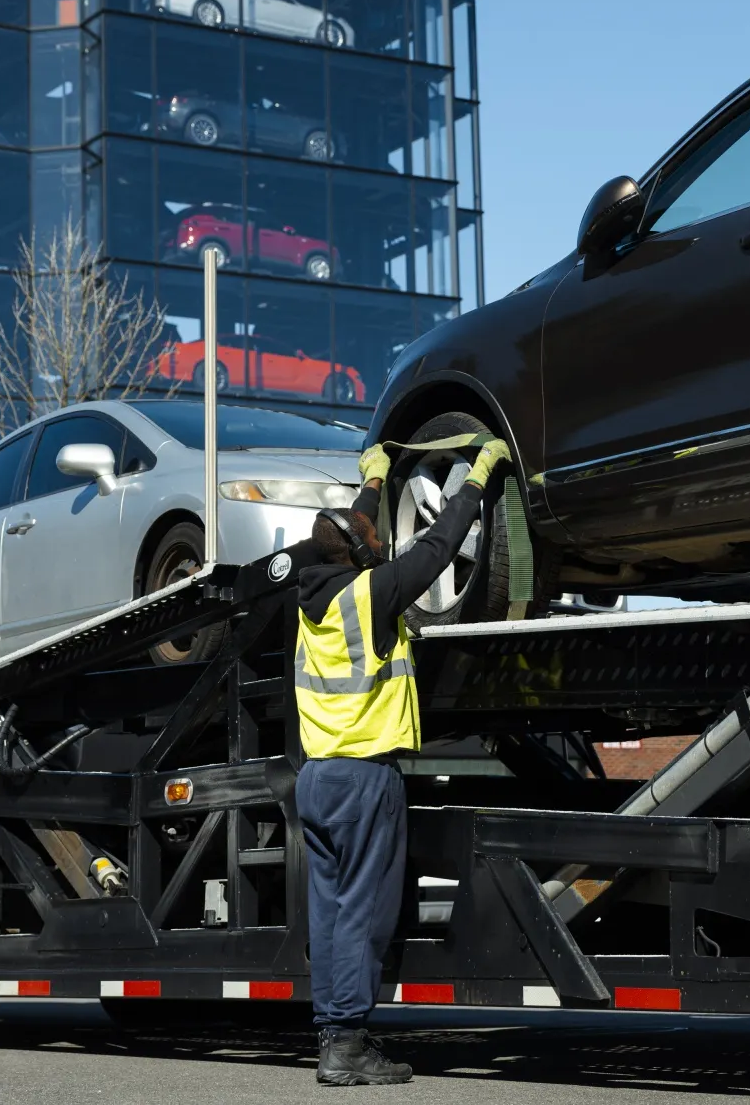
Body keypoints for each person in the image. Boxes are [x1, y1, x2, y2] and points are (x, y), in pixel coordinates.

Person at [292, 436, 509, 1087]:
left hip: (318, 778)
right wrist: (478, 477)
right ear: (362, 553)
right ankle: (349, 1048)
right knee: (365, 915)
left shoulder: (314, 597)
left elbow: (348, 537)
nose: (382, 543)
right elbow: (438, 548)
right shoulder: (372, 594)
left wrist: (374, 483)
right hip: (362, 778)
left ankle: (335, 1035)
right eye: (372, 538)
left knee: (331, 915)